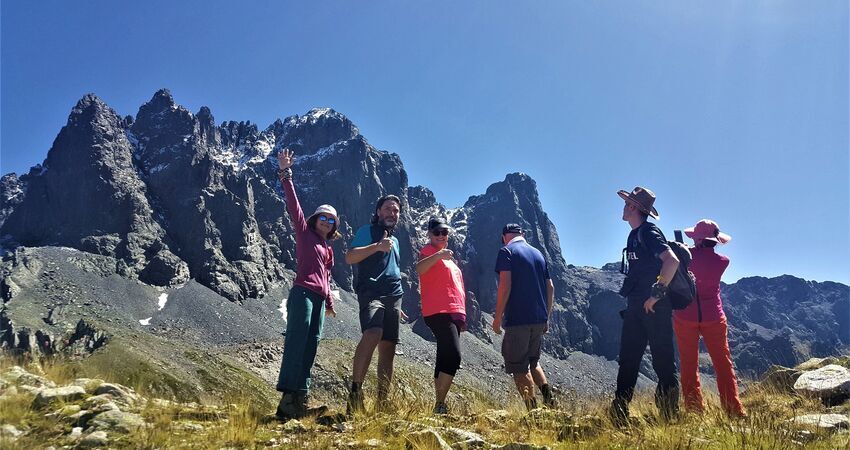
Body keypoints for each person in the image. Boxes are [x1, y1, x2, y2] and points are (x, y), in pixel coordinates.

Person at [274, 149, 340, 420]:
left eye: (331, 220)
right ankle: (287, 401)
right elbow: (294, 205)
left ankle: (300, 399)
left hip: (319, 300)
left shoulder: (328, 249)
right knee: (297, 341)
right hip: (302, 293)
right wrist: (285, 173)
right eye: (323, 217)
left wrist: (330, 302)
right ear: (315, 219)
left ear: (334, 226)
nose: (326, 221)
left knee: (311, 345)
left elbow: (326, 277)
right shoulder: (304, 232)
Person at [610, 187, 681, 426]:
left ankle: (669, 416)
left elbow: (671, 261)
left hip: (655, 308)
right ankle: (619, 414)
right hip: (636, 307)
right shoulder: (634, 234)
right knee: (628, 359)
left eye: (626, 204)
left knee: (663, 360)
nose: (623, 208)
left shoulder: (649, 232)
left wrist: (656, 295)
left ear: (633, 207)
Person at [673, 219, 746, 418]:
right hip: (714, 316)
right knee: (723, 363)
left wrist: (683, 249)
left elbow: (679, 260)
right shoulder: (722, 261)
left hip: (685, 315)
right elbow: (704, 259)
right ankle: (733, 409)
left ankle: (694, 409)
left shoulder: (683, 256)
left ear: (697, 239)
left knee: (689, 363)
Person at [344, 194, 404, 414]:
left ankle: (382, 403)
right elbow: (350, 257)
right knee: (373, 332)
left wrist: (398, 305)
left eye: (396, 211)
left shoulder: (396, 241)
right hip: (372, 292)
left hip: (394, 296)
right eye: (388, 209)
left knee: (388, 348)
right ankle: (355, 393)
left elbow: (393, 269)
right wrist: (377, 246)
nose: (392, 213)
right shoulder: (367, 231)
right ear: (378, 212)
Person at [492, 223, 557, 410]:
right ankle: (549, 400)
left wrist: (497, 317)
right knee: (533, 361)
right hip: (538, 319)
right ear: (523, 234)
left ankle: (533, 412)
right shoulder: (538, 254)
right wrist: (546, 317)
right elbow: (550, 287)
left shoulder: (507, 252)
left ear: (504, 237)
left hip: (518, 319)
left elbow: (505, 285)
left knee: (519, 367)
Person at [416, 217, 466, 415]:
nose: (441, 235)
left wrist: (462, 315)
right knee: (453, 355)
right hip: (439, 311)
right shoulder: (428, 251)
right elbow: (420, 268)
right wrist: (439, 255)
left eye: (444, 232)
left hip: (454, 312)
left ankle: (439, 406)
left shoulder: (450, 259)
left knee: (444, 355)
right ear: (429, 234)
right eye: (436, 232)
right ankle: (440, 404)